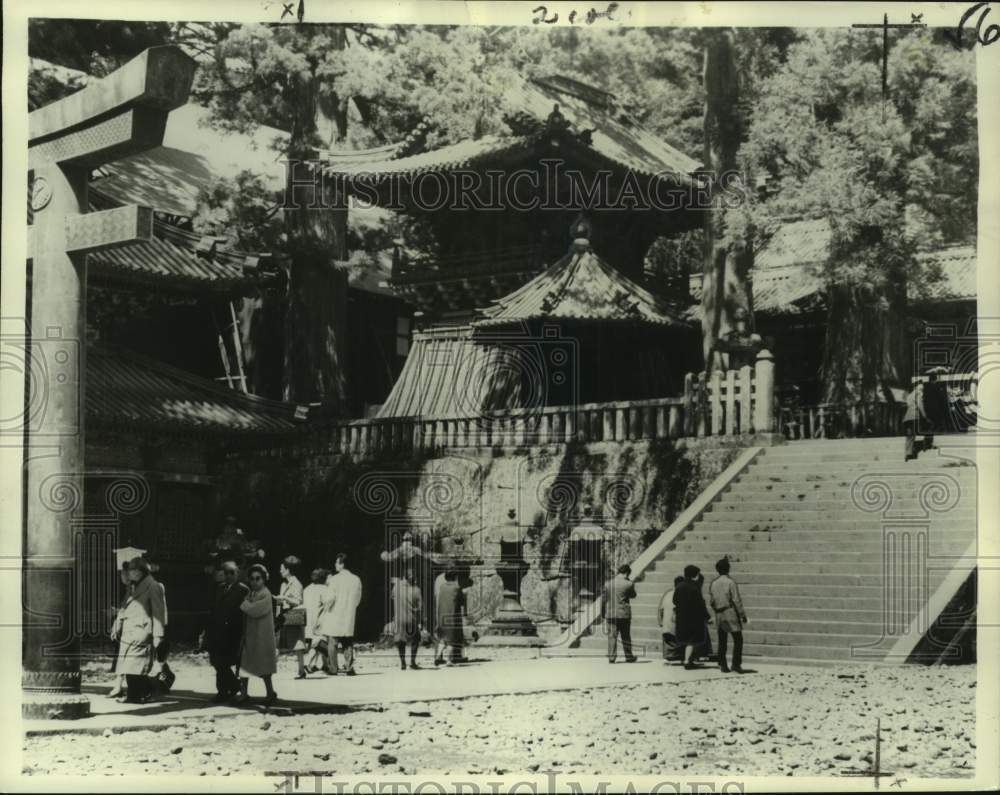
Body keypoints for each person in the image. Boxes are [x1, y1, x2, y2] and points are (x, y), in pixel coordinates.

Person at [114, 558, 166, 703]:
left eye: (131, 570)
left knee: (136, 666)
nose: (128, 573)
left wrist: (158, 635)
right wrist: (118, 622)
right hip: (130, 631)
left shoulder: (153, 586)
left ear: (138, 571)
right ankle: (134, 696)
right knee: (130, 665)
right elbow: (125, 606)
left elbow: (158, 612)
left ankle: (144, 692)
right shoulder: (134, 586)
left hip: (142, 630)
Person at [236, 563, 278, 705]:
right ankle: (244, 693)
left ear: (264, 579)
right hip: (251, 635)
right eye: (252, 579)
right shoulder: (251, 593)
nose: (254, 582)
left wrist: (245, 605)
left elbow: (254, 610)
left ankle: (270, 692)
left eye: (258, 578)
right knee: (245, 666)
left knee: (264, 668)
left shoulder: (266, 594)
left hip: (262, 636)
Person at [208, 560, 249, 701]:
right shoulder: (219, 588)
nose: (229, 575)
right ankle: (230, 687)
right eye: (227, 573)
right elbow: (214, 609)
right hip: (218, 630)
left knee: (224, 662)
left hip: (233, 632)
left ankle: (224, 691)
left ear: (237, 573)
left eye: (232, 572)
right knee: (217, 662)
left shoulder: (243, 590)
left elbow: (245, 612)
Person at [319, 553, 363, 676]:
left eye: (337, 562)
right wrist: (351, 608)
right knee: (348, 641)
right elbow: (358, 598)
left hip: (335, 614)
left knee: (332, 642)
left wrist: (325, 606)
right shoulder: (356, 579)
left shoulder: (334, 579)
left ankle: (333, 668)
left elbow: (330, 598)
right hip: (348, 614)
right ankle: (349, 667)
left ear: (342, 564)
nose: (335, 564)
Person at [709, 557, 748, 674]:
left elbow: (712, 601)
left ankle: (722, 664)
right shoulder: (731, 582)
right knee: (738, 639)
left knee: (722, 640)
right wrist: (742, 614)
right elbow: (736, 600)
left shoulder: (714, 583)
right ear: (728, 569)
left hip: (719, 614)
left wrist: (716, 609)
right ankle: (736, 664)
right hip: (730, 612)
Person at [674, 564, 710, 670]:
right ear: (694, 575)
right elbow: (700, 604)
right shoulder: (695, 587)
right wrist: (707, 617)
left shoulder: (679, 586)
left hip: (682, 617)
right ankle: (687, 661)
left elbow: (674, 600)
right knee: (692, 640)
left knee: (686, 640)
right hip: (693, 618)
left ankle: (687, 659)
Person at [297, 567, 332, 678]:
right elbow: (329, 603)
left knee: (315, 642)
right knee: (320, 642)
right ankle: (309, 663)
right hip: (320, 620)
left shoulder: (307, 589)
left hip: (308, 620)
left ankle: (323, 665)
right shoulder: (324, 589)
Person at [601, 564, 638, 664]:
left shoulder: (608, 584)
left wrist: (603, 612)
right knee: (626, 635)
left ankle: (612, 657)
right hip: (624, 614)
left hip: (611, 613)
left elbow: (603, 600)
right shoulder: (629, 584)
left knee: (612, 635)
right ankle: (629, 656)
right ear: (626, 573)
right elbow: (633, 595)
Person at [392, 570, 424, 670]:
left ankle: (403, 663)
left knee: (400, 641)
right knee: (416, 639)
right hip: (412, 619)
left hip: (399, 619)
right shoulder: (416, 590)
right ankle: (413, 662)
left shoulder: (396, 588)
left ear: (404, 577)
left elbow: (393, 598)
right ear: (414, 579)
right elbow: (420, 607)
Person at [274, 555, 305, 652]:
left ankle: (300, 667)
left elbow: (298, 601)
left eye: (282, 569)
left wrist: (285, 598)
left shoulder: (296, 584)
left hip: (292, 618)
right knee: (288, 646)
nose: (280, 571)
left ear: (288, 570)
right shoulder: (285, 584)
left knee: (297, 646)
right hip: (284, 619)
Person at [434, 567, 465, 665]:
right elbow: (461, 602)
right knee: (452, 640)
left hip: (441, 616)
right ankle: (448, 660)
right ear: (455, 576)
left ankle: (438, 656)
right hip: (451, 617)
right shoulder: (456, 588)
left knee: (443, 639)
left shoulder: (442, 587)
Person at [658, 575, 685, 663]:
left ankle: (669, 655)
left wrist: (661, 622)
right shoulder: (681, 594)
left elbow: (661, 610)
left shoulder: (668, 594)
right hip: (676, 627)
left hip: (666, 627)